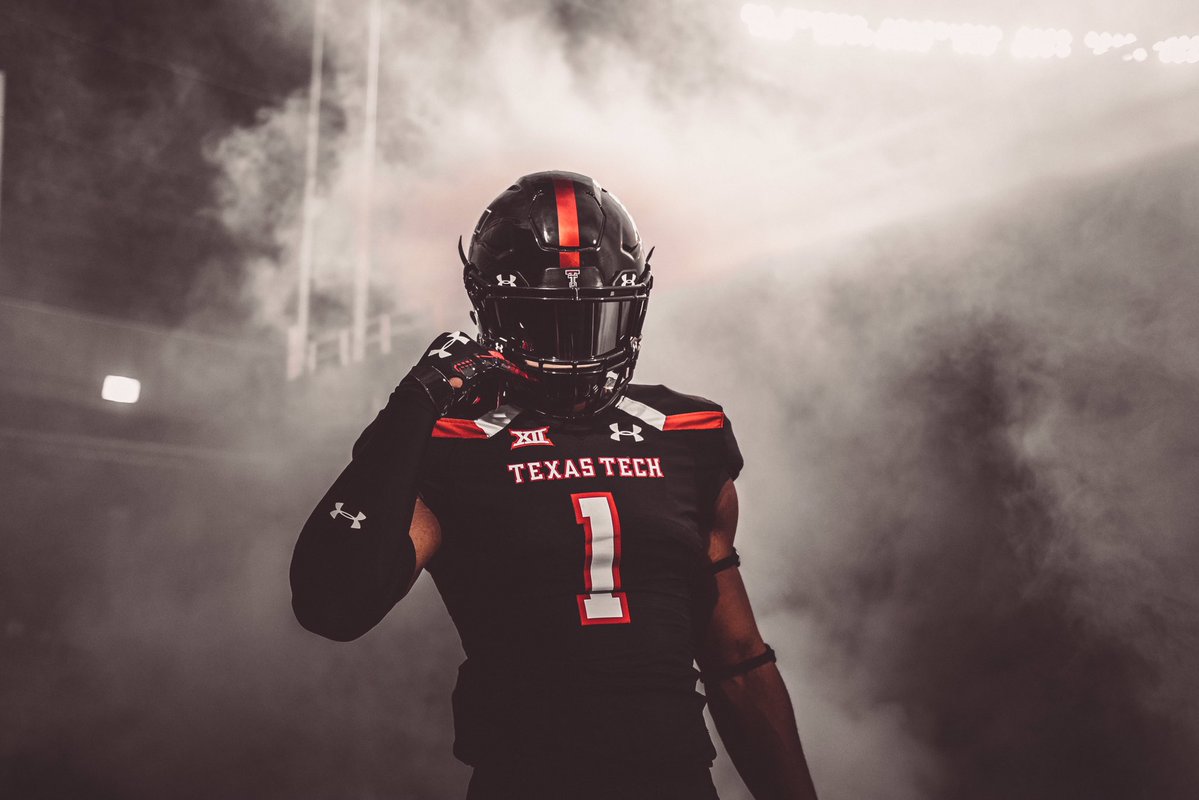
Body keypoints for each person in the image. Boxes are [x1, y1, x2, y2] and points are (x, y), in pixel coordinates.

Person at [290, 171, 819, 800]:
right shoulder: (456, 441)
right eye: (550, 322)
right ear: (494, 312)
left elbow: (736, 662)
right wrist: (412, 409)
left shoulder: (688, 431)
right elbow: (333, 604)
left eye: (591, 318)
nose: (574, 351)